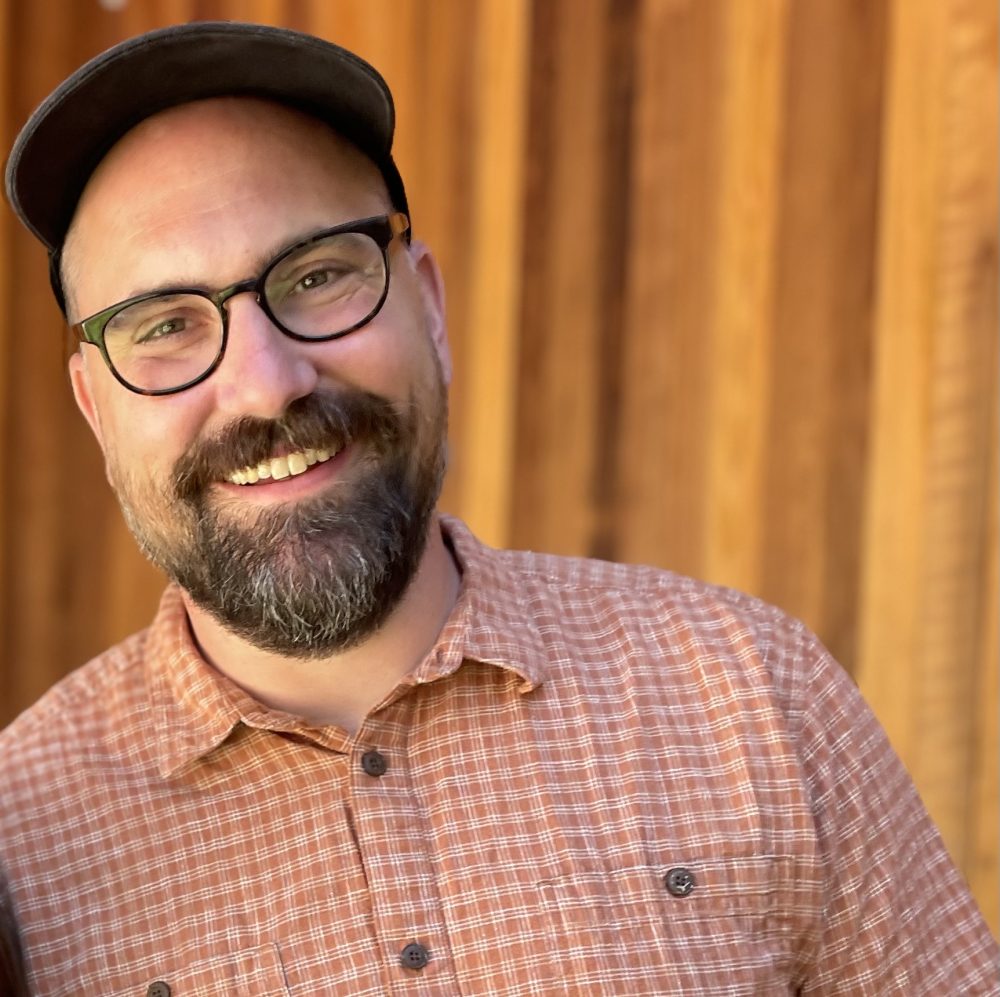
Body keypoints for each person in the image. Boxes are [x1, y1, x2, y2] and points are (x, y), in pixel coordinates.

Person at [0, 20, 996, 996]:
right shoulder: (19, 846)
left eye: (315, 277)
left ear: (425, 304)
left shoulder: (748, 694)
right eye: (165, 325)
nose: (266, 385)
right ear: (95, 405)